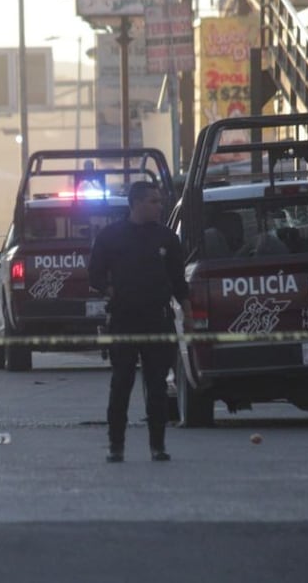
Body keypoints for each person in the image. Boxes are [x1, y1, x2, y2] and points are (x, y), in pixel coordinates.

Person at [88, 181, 190, 463]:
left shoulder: (167, 238)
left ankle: (158, 446)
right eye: (154, 201)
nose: (159, 206)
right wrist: (111, 291)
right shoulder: (112, 236)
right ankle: (116, 445)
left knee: (157, 385)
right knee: (121, 382)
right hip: (124, 319)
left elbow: (179, 282)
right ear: (137, 204)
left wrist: (188, 314)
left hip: (158, 319)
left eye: (159, 201)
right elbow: (95, 274)